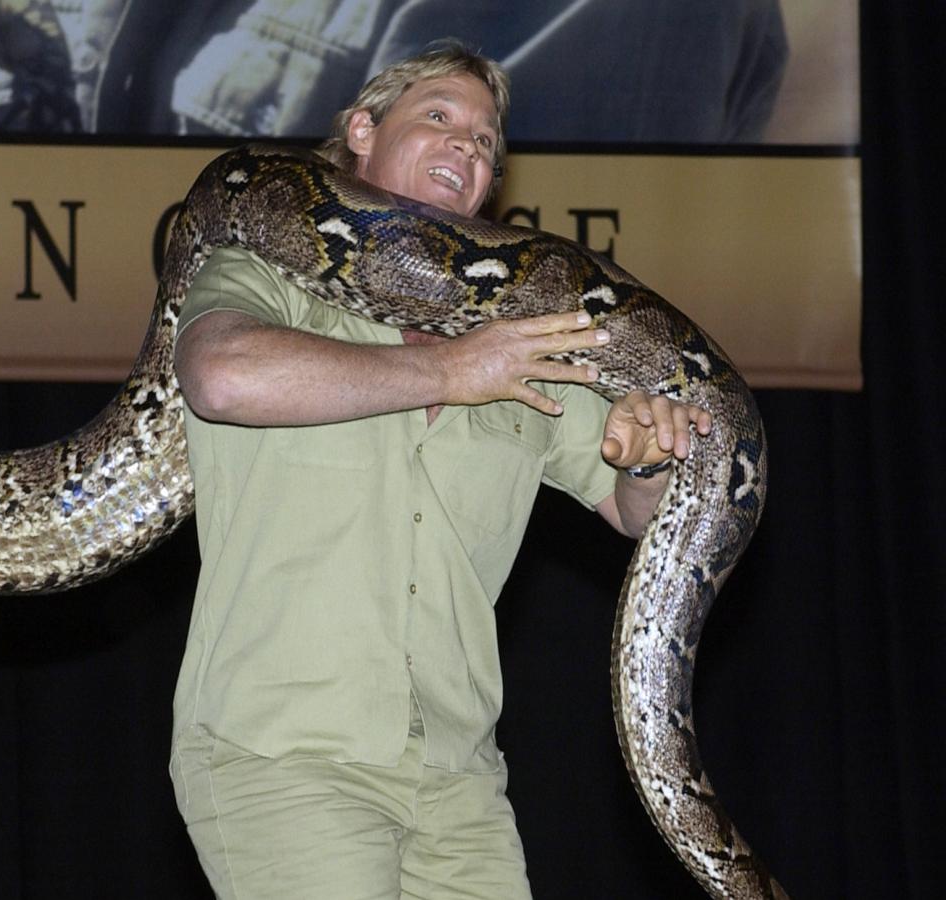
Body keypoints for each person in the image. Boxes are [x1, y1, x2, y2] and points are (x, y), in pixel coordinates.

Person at [168, 42, 713, 899]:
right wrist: (451, 371)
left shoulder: (525, 343)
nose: (469, 147)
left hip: (458, 778)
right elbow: (222, 376)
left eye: (488, 143)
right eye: (439, 119)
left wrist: (648, 456)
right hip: (283, 757)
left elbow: (634, 511)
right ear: (360, 131)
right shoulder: (264, 273)